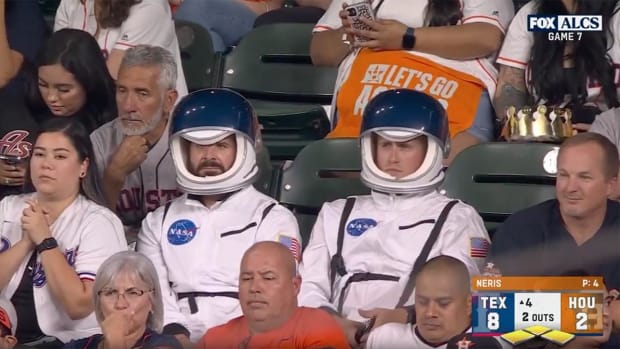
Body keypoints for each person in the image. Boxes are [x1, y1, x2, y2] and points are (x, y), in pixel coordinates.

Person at [298, 89, 491, 347]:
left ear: (434, 149)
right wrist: (334, 323)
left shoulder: (458, 218)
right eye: (384, 145)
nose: (392, 157)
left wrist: (405, 317)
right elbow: (309, 286)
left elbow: (463, 296)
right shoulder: (336, 212)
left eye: (405, 146)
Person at [137, 88, 301, 343]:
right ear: (182, 151)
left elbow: (275, 293)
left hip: (249, 336)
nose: (209, 156)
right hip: (174, 339)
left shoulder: (273, 218)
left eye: (221, 145)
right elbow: (155, 291)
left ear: (244, 148)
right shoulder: (157, 222)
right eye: (199, 147)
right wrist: (175, 334)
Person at [311, 0, 514, 163]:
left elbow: (486, 38)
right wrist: (350, 32)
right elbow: (321, 53)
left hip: (446, 100)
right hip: (367, 101)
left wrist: (407, 38)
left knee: (443, 171)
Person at [0, 118, 127, 348]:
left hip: (71, 342)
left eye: (60, 156)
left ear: (83, 166)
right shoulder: (8, 208)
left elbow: (78, 305)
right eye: (39, 154)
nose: (46, 164)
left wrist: (45, 241)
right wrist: (26, 243)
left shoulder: (99, 222)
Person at [488, 132, 620, 348]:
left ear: (610, 185)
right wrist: (596, 311)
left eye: (584, 177)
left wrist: (539, 307)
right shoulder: (521, 229)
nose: (570, 187)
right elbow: (492, 312)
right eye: (563, 175)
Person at [90, 45, 180, 235]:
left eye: (142, 93)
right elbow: (89, 223)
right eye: (122, 91)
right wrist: (114, 174)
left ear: (169, 101)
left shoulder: (190, 142)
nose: (128, 105)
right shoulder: (99, 142)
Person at [493, 0, 620, 131]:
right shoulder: (531, 13)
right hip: (545, 134)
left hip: (609, 136)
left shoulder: (616, 15)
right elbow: (510, 85)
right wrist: (518, 127)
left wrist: (608, 131)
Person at [196, 241, 349, 348]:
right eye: (246, 278)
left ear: (295, 286)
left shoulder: (317, 327)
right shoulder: (213, 339)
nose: (254, 287)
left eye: (268, 278)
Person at [365, 256, 508, 349]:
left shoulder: (497, 342)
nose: (430, 313)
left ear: (469, 304)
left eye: (443, 303)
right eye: (422, 302)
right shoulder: (383, 338)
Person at [53, 0, 188, 97]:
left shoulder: (149, 6)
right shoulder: (70, 4)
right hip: (91, 112)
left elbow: (110, 81)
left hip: (150, 121)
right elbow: (56, 67)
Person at [62, 251, 182, 349]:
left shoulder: (165, 345)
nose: (120, 304)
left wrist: (115, 340)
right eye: (110, 293)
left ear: (152, 300)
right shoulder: (76, 347)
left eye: (133, 293)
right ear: (98, 302)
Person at [26, 28, 117, 134]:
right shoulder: (25, 107)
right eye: (43, 85)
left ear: (90, 84)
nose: (51, 97)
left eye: (64, 90)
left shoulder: (116, 118)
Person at [174, 0, 284, 52]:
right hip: (182, 16)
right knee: (211, 38)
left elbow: (271, 7)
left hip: (254, 14)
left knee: (196, 7)